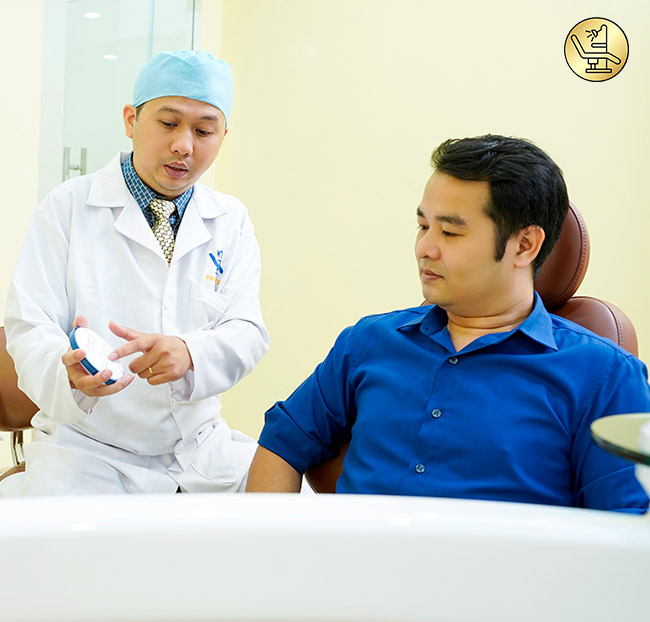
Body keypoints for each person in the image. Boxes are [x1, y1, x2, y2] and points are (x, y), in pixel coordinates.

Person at [246, 134, 650, 513]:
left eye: (451, 232)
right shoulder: (368, 341)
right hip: (359, 559)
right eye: (423, 226)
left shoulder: (606, 377)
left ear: (525, 245)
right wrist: (270, 551)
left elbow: (624, 528)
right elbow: (282, 444)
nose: (425, 248)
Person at [3, 50, 269, 495]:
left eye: (204, 130)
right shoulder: (66, 208)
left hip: (199, 449)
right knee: (60, 535)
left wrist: (190, 353)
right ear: (131, 120)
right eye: (168, 123)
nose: (184, 145)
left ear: (223, 136)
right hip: (88, 450)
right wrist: (68, 375)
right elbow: (30, 326)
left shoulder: (231, 220)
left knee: (294, 508)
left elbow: (248, 331)